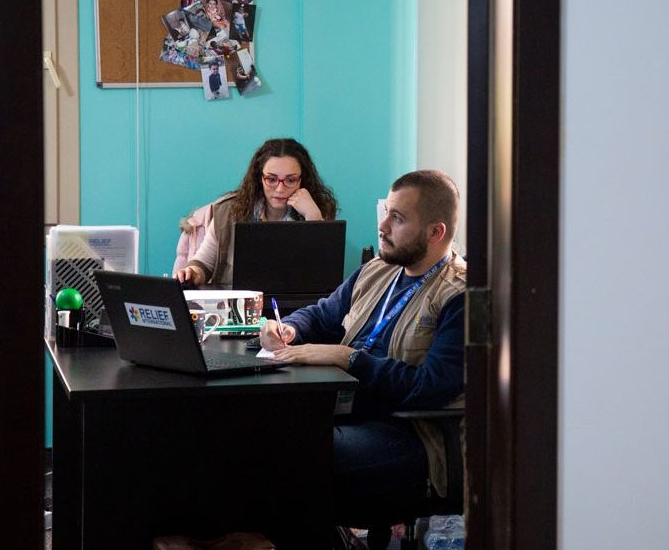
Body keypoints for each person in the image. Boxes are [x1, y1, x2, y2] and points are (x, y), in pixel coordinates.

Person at [259, 170, 465, 528]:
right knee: (254, 435)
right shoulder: (377, 270)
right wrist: (290, 328)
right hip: (349, 414)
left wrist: (349, 359)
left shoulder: (461, 296)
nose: (382, 226)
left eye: (397, 218)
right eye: (386, 211)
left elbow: (430, 389)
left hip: (411, 437)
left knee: (292, 457)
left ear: (436, 232)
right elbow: (322, 314)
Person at [175, 139, 338, 286]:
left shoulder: (316, 209)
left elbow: (325, 278)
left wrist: (314, 218)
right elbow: (203, 264)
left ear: (302, 179)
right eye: (271, 179)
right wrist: (193, 272)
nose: (280, 189)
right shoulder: (229, 211)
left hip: (298, 310)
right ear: (260, 178)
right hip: (239, 309)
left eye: (290, 180)